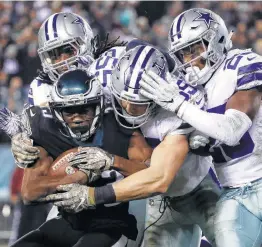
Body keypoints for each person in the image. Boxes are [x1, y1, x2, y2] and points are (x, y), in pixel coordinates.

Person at [41, 45, 221, 246]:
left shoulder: (173, 110)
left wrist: (92, 195)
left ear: (154, 98)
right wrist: (24, 135)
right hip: (151, 198)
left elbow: (159, 178)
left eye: (136, 104)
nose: (126, 109)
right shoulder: (103, 80)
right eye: (121, 99)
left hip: (193, 186)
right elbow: (62, 101)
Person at [139, 8, 262, 247]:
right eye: (183, 54)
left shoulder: (240, 64)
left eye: (195, 49)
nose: (189, 61)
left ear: (215, 40)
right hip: (233, 191)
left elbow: (232, 129)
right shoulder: (194, 92)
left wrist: (179, 106)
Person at [9, 69, 152, 247]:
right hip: (70, 222)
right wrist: (75, 178)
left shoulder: (120, 129)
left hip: (114, 224)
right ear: (57, 113)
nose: (77, 118)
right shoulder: (47, 131)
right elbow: (30, 193)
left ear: (98, 106)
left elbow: (152, 175)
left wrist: (112, 161)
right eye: (69, 112)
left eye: (84, 110)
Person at [11, 12, 127, 167]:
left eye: (69, 51)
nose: (62, 62)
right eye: (54, 56)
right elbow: (38, 145)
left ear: (86, 42)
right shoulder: (41, 88)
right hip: (76, 160)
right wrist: (23, 142)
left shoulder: (110, 64)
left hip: (123, 151)